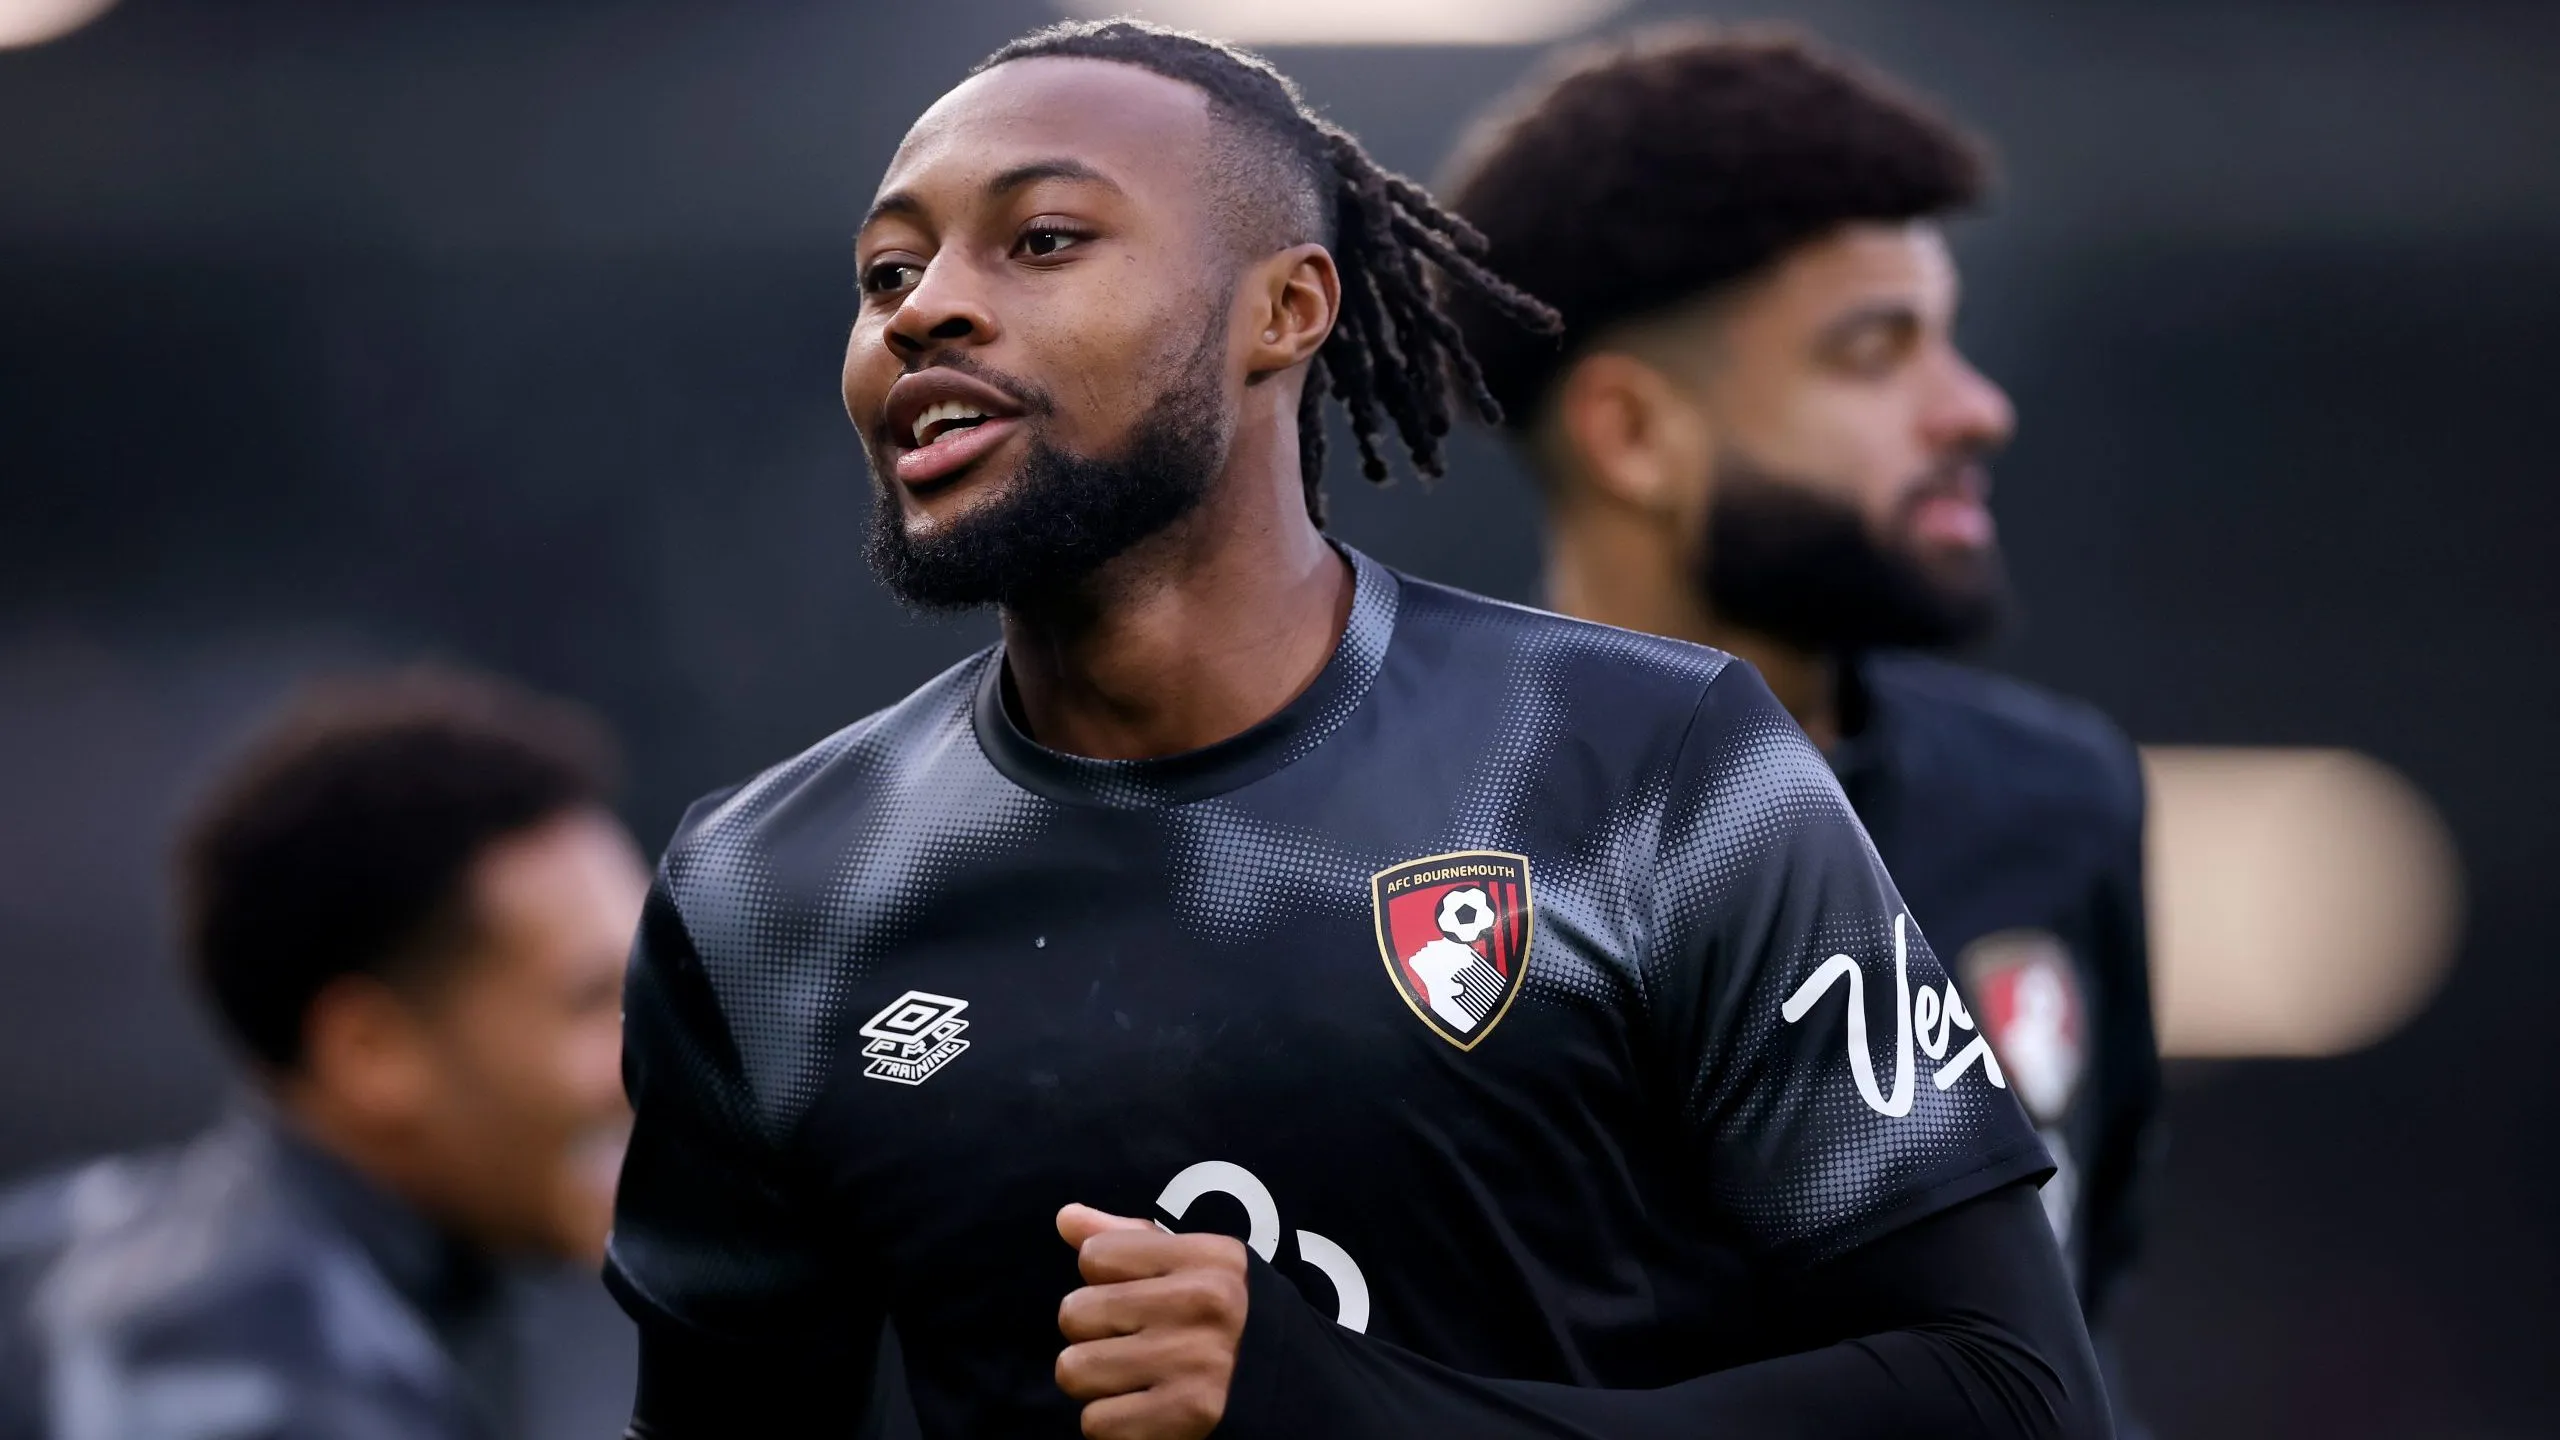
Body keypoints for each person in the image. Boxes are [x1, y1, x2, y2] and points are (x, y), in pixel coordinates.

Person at [608, 19, 2107, 1440]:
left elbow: (2008, 1396)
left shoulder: (1649, 766)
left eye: (1043, 238)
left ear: (1288, 309)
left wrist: (1355, 1413)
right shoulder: (766, 900)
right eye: (884, 271)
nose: (923, 303)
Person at [1441, 22, 2164, 1425]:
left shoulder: (2056, 798)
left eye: (1949, 338)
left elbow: (2081, 1294)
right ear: (1635, 435)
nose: (1977, 409)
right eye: (1874, 350)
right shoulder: (1390, 841)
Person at [0, 669, 645, 1440]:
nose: (654, 1063)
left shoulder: (60, 1246)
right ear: (370, 1051)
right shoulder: (270, 1401)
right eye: (588, 1003)